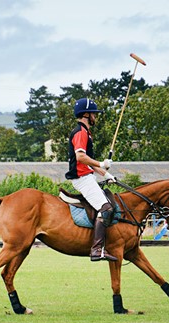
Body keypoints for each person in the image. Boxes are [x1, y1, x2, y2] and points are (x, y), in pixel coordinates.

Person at [65, 98, 118, 262]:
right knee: (106, 209)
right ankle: (96, 250)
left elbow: (89, 162)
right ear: (86, 114)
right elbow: (81, 157)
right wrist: (101, 163)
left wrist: (106, 174)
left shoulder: (86, 132)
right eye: (94, 114)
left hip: (87, 175)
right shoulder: (80, 132)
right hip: (81, 178)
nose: (96, 117)